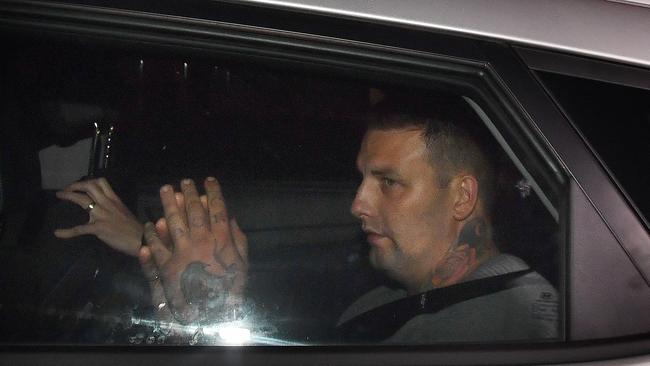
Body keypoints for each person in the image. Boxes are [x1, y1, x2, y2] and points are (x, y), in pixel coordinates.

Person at [56, 95, 558, 343]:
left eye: (388, 182)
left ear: (461, 197)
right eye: (362, 179)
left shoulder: (500, 328)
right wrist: (151, 243)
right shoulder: (395, 298)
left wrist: (204, 314)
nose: (358, 204)